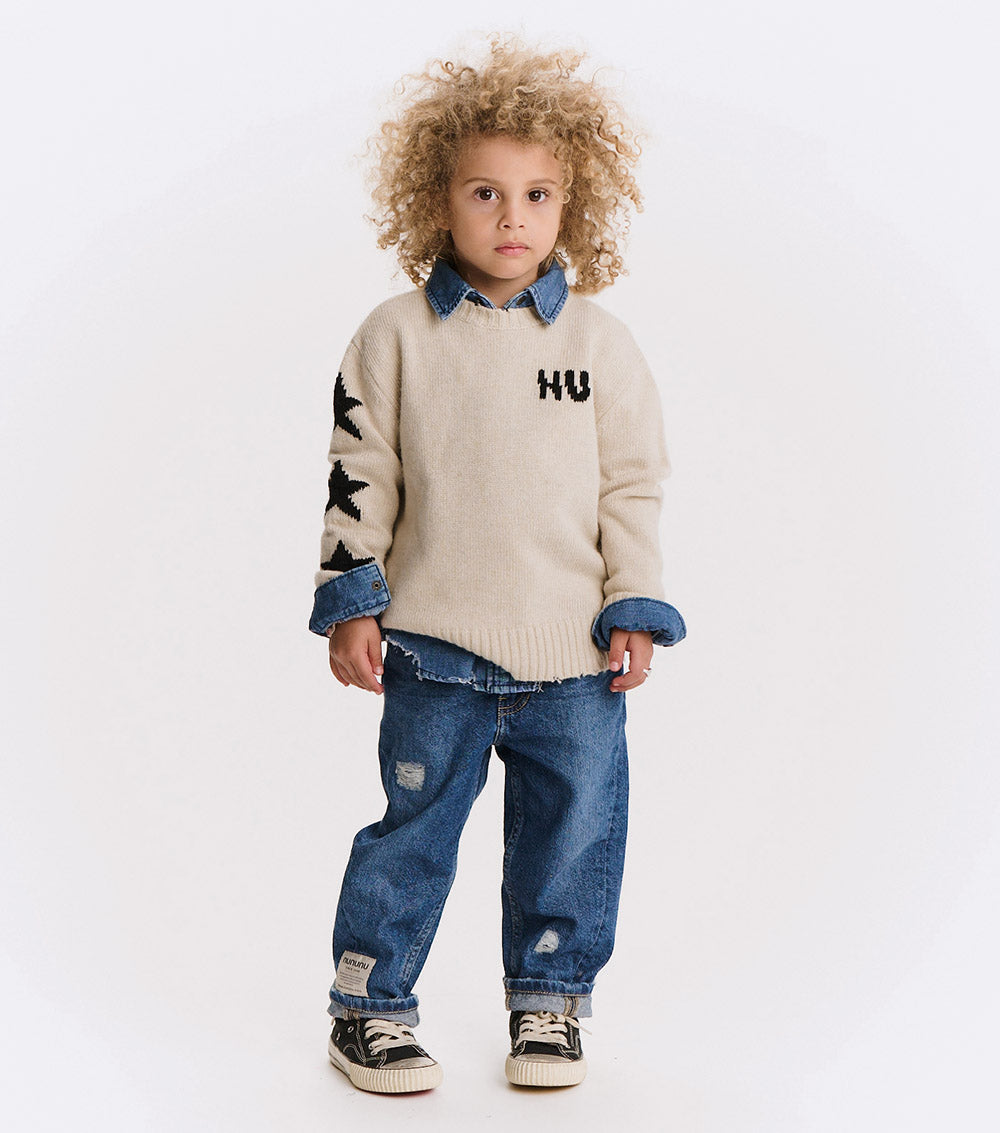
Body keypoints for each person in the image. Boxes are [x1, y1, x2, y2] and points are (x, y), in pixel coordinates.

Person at [309, 37, 686, 1094]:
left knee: (573, 835)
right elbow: (358, 472)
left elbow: (631, 486)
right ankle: (369, 1007)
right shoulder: (393, 337)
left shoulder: (600, 346)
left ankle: (549, 1001)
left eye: (536, 194)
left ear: (573, 204)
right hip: (433, 649)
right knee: (413, 834)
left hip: (575, 661)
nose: (511, 217)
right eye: (485, 192)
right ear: (437, 200)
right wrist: (352, 600)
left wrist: (633, 603)